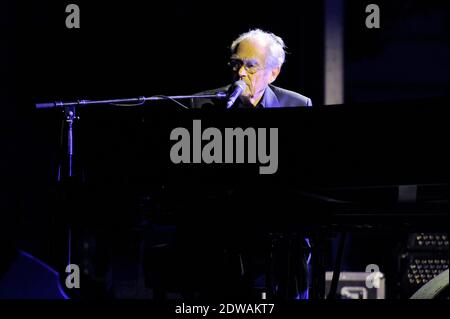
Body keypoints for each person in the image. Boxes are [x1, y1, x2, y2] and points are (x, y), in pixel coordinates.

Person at [191, 28, 312, 109]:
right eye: (236, 63)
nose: (240, 72)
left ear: (273, 73)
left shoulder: (298, 104)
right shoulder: (201, 103)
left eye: (251, 66)